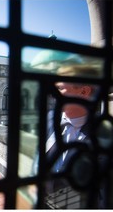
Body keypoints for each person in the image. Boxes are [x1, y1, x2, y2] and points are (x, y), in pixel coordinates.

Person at [30, 64, 102, 209]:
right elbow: (40, 152)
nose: (53, 94)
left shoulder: (103, 133)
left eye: (60, 88)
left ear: (83, 91)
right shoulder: (50, 117)